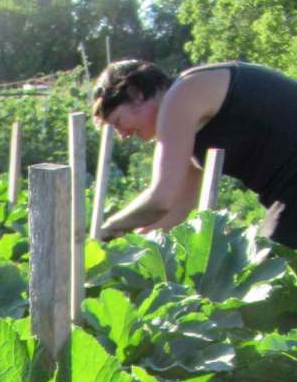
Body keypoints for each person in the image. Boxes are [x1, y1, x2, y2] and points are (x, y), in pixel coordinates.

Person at [92, 58, 297, 248]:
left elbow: (160, 199)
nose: (122, 135)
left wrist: (107, 229)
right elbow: (177, 213)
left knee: (272, 264)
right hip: (287, 189)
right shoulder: (187, 121)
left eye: (118, 122)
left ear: (136, 94)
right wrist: (129, 249)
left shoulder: (181, 95)